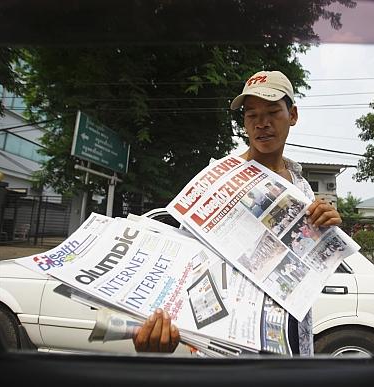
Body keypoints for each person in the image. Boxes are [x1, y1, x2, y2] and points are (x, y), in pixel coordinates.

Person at [133, 70, 342, 356]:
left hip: (289, 333)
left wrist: (327, 225)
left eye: (272, 112)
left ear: (292, 115)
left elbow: (311, 265)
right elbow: (188, 264)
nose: (262, 124)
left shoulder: (302, 186)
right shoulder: (218, 177)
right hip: (231, 337)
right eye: (251, 115)